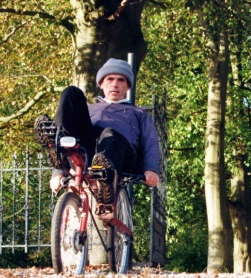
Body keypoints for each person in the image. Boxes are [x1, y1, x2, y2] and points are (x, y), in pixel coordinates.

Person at [34, 58, 160, 206]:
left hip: (120, 153)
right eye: (110, 79)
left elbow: (150, 142)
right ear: (101, 83)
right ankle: (57, 147)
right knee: (71, 92)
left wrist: (151, 169)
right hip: (89, 149)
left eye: (121, 80)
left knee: (109, 134)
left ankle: (106, 179)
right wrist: (58, 174)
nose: (114, 84)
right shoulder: (90, 109)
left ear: (127, 87)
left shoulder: (138, 113)